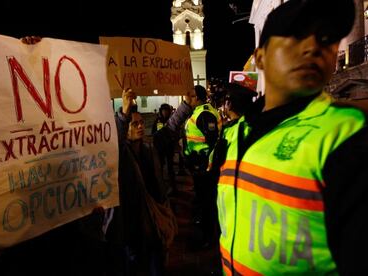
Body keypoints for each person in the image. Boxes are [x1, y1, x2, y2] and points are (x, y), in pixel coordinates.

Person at [215, 0, 368, 274]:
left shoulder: (347, 137)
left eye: (327, 39)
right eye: (296, 35)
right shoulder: (236, 134)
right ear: (260, 56)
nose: (314, 47)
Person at [107, 88, 193, 275]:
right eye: (134, 124)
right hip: (131, 228)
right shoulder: (120, 156)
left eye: (140, 123)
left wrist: (186, 105)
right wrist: (123, 114)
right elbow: (117, 141)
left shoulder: (149, 147)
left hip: (153, 223)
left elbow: (170, 129)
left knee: (157, 267)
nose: (139, 126)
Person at [183, 84, 221, 248]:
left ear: (197, 97)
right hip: (201, 165)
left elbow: (212, 141)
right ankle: (206, 234)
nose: (187, 99)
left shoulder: (204, 114)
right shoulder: (201, 112)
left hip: (204, 166)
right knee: (204, 201)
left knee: (205, 203)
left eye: (190, 96)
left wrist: (205, 162)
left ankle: (206, 238)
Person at [151, 103, 177, 192]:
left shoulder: (171, 121)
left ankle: (173, 186)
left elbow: (176, 133)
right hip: (160, 148)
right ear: (161, 111)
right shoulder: (158, 121)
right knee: (160, 166)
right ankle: (160, 185)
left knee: (170, 167)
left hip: (169, 147)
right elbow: (153, 133)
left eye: (166, 110)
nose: (165, 112)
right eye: (163, 110)